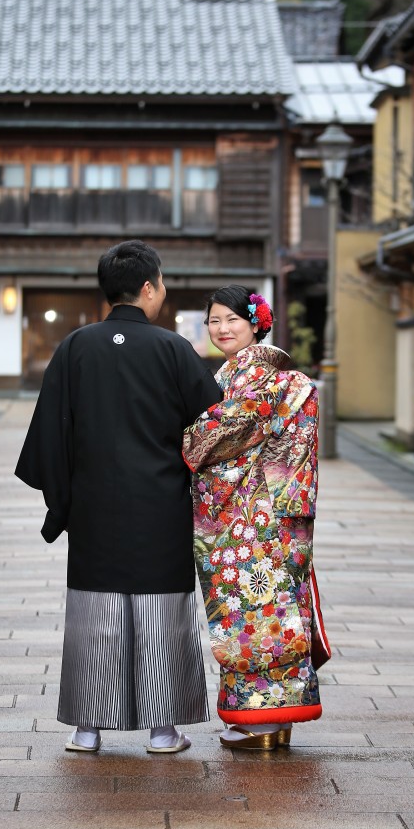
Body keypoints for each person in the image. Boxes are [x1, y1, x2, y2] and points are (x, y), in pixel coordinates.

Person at [15, 240, 222, 754]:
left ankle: (87, 728)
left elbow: (50, 434)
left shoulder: (75, 346)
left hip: (94, 506)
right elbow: (215, 429)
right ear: (149, 288)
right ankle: (162, 730)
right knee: (160, 613)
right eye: (163, 283)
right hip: (161, 506)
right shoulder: (175, 349)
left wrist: (63, 501)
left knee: (96, 613)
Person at [183, 285, 330, 751]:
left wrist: (185, 436)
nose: (222, 329)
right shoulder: (233, 373)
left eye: (232, 319)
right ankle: (258, 719)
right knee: (249, 613)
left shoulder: (269, 375)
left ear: (255, 323)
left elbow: (216, 435)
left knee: (262, 613)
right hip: (248, 514)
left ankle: (267, 721)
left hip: (257, 517)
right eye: (214, 321)